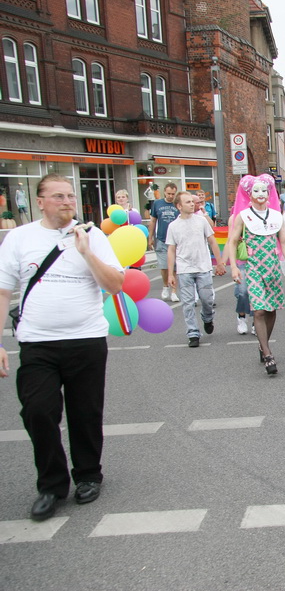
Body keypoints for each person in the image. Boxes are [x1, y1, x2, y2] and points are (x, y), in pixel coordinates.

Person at [0, 174, 125, 521]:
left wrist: (86, 252)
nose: (68, 201)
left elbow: (115, 284)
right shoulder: (19, 238)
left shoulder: (93, 236)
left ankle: (88, 475)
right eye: (58, 196)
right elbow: (3, 291)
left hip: (85, 340)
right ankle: (51, 485)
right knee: (37, 411)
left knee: (85, 413)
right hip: (37, 342)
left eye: (70, 195)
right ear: (39, 202)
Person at [226, 174, 285, 375]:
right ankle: (268, 354)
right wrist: (234, 267)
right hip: (253, 268)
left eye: (264, 190)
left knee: (271, 310)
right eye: (256, 190)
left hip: (272, 267)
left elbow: (284, 241)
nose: (260, 194)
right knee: (258, 311)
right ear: (249, 194)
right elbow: (232, 241)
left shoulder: (276, 216)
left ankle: (262, 344)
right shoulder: (243, 216)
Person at [166, 191, 226, 347]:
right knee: (188, 303)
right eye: (188, 202)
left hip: (203, 267)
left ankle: (207, 317)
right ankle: (193, 333)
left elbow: (212, 241)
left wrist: (219, 262)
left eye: (192, 202)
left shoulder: (201, 221)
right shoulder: (173, 226)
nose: (192, 204)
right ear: (179, 206)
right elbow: (171, 250)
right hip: (184, 269)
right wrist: (170, 274)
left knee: (207, 299)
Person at [148, 182, 181, 302]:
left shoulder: (178, 204)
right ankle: (165, 286)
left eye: (173, 194)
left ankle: (174, 291)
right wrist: (150, 237)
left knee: (175, 267)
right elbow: (153, 221)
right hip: (162, 239)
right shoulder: (157, 204)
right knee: (164, 267)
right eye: (169, 194)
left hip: (175, 240)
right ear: (164, 193)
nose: (171, 196)